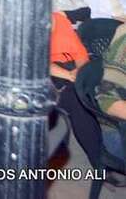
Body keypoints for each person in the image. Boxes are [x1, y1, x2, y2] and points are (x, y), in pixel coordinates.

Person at [48, 13, 102, 168]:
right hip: (48, 76)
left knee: (81, 97)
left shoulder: (60, 20)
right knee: (76, 102)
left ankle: (101, 161)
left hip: (71, 73)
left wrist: (80, 71)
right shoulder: (25, 25)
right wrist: (69, 75)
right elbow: (36, 62)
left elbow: (80, 53)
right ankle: (99, 162)